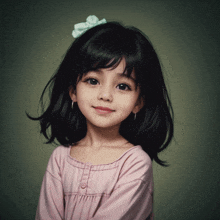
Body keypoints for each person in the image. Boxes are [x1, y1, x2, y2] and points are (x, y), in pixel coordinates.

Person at [29, 15, 173, 220]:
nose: (105, 95)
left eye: (123, 86)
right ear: (73, 91)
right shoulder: (60, 159)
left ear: (138, 102)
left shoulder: (135, 163)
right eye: (93, 80)